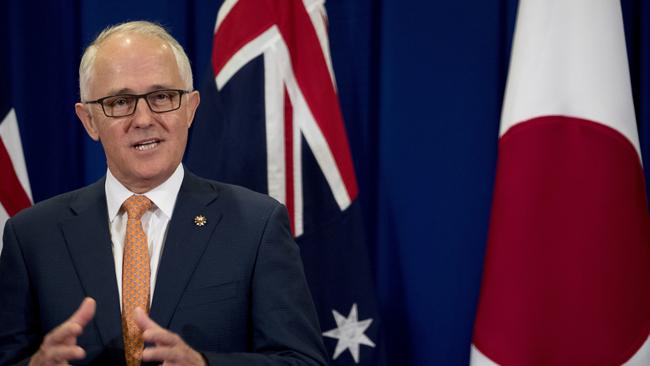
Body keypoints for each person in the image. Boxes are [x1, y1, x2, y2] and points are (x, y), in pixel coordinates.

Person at [0, 21, 327, 366]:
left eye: (161, 97)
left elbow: (302, 361)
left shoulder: (255, 226)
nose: (143, 119)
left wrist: (204, 365)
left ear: (190, 107)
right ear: (89, 120)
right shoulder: (32, 236)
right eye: (121, 101)